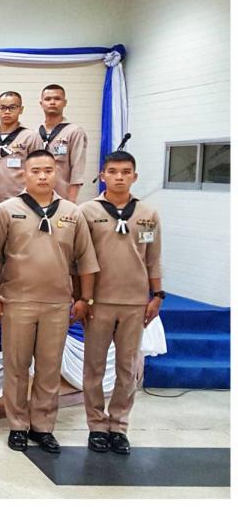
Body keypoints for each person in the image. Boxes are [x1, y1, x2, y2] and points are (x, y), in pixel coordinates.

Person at [0, 149, 100, 454]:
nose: (42, 176)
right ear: (24, 174)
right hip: (17, 301)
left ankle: (43, 427)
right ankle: (17, 425)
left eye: (48, 170)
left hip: (57, 304)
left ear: (56, 173)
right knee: (17, 367)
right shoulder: (6, 210)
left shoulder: (72, 213)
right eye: (35, 171)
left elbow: (85, 259)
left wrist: (85, 298)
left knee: (49, 368)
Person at [79, 150, 163, 455]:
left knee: (128, 368)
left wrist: (157, 295)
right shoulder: (87, 212)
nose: (119, 177)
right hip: (99, 302)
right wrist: (83, 298)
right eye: (112, 172)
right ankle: (96, 426)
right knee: (94, 367)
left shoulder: (148, 214)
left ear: (134, 176)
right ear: (102, 176)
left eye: (126, 172)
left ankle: (118, 426)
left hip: (134, 303)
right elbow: (80, 260)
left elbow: (153, 259)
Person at [0, 91, 44, 209]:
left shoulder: (31, 138)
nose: (7, 112)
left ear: (21, 109)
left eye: (12, 107)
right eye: (3, 108)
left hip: (22, 205)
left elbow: (39, 173)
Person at [37, 84, 88, 202]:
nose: (52, 102)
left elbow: (77, 170)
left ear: (65, 103)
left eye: (57, 99)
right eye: (48, 99)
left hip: (62, 199)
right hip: (35, 199)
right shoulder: (34, 133)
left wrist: (71, 202)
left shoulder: (74, 132)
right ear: (41, 103)